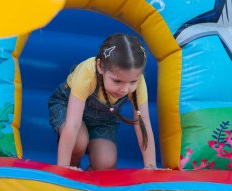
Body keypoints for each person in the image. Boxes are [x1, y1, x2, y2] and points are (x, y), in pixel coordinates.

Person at [48, 33, 156, 170]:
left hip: (103, 120)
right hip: (68, 107)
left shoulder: (138, 82)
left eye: (132, 81)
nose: (124, 89)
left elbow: (143, 123)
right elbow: (73, 124)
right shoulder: (87, 73)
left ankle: (89, 182)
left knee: (106, 163)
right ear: (100, 66)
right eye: (117, 81)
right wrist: (62, 167)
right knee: (79, 141)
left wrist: (151, 166)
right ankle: (72, 166)